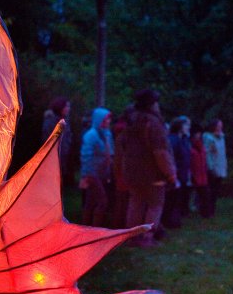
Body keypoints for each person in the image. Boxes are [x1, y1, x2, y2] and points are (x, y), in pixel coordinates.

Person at [117, 89, 178, 246]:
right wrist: (170, 173)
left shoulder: (130, 121)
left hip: (131, 171)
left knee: (136, 203)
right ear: (152, 104)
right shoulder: (153, 123)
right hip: (152, 173)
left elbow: (122, 145)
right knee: (155, 205)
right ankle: (147, 238)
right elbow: (161, 152)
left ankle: (132, 237)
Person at [79, 107, 114, 226]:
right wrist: (87, 174)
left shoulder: (107, 134)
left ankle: (86, 227)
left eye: (109, 119)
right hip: (93, 173)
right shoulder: (91, 135)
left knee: (91, 200)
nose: (108, 121)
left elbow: (110, 152)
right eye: (105, 119)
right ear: (99, 119)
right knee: (102, 201)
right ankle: (95, 228)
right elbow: (86, 156)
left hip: (102, 172)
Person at [162, 116, 191, 229]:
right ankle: (169, 221)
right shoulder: (173, 140)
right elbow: (172, 158)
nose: (188, 127)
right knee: (171, 199)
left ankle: (174, 220)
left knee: (177, 199)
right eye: (186, 125)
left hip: (182, 173)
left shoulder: (183, 140)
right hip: (175, 174)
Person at [41, 96, 74, 186]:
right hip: (52, 158)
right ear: (60, 107)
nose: (68, 109)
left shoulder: (65, 121)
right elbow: (48, 140)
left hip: (62, 156)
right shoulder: (51, 122)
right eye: (66, 106)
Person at [202, 118, 227, 217]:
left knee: (215, 190)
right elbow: (207, 154)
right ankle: (207, 210)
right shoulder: (208, 138)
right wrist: (211, 167)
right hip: (212, 168)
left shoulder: (221, 137)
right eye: (219, 125)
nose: (221, 127)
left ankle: (212, 209)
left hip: (220, 166)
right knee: (210, 190)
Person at [189, 125, 210, 217]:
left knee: (204, 194)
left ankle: (205, 212)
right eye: (197, 133)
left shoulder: (200, 146)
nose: (199, 135)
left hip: (201, 174)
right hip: (194, 174)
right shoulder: (190, 145)